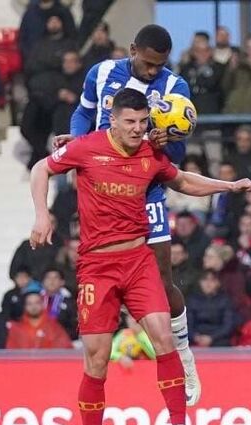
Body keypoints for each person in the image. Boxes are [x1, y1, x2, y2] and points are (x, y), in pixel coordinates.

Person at [30, 88, 251, 425]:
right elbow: (40, 169)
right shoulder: (86, 148)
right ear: (113, 120)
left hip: (137, 258)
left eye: (142, 122)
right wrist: (42, 215)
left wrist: (229, 185)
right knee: (97, 362)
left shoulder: (151, 153)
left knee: (163, 336)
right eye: (130, 122)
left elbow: (183, 180)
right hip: (97, 266)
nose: (138, 129)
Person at [65, 24, 204, 405]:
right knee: (99, 270)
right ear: (132, 50)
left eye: (160, 65)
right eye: (148, 64)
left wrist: (166, 142)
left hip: (147, 189)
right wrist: (77, 143)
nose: (153, 71)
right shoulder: (101, 73)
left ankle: (183, 353)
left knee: (162, 278)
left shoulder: (174, 87)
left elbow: (177, 154)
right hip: (102, 191)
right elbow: (83, 112)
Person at [5, 291, 73, 349]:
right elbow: (11, 352)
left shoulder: (54, 327)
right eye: (29, 304)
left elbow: (65, 350)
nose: (33, 307)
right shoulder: (17, 329)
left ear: (43, 304)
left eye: (37, 303)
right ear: (24, 307)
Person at [186, 270, 236, 347]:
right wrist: (195, 337)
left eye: (212, 280)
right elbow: (188, 323)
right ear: (199, 282)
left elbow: (228, 326)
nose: (208, 283)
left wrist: (212, 338)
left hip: (218, 338)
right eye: (205, 279)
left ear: (218, 283)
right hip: (196, 338)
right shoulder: (192, 300)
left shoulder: (225, 300)